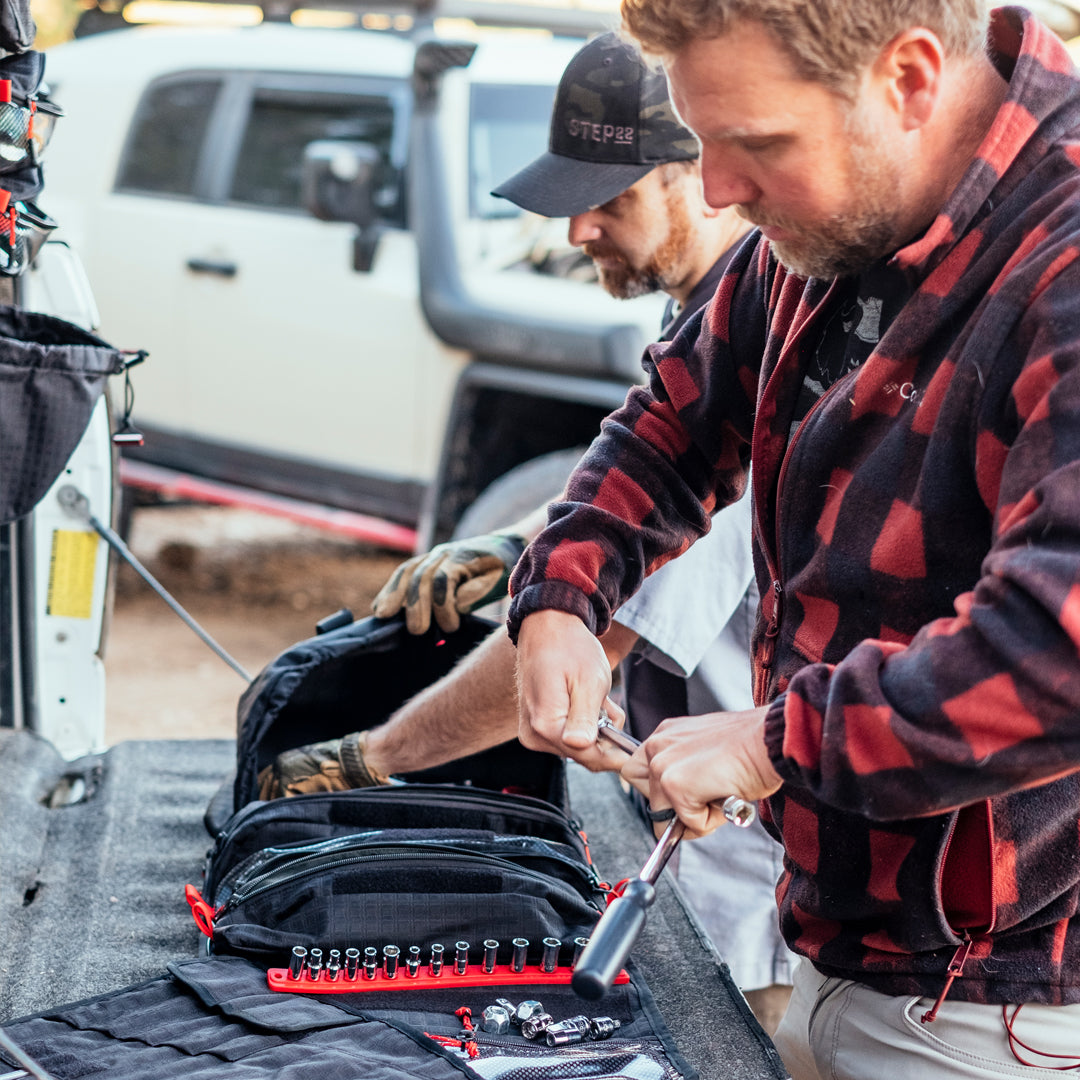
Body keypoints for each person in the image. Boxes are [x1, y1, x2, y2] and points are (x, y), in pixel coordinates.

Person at [506, 2, 1080, 1077]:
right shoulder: (833, 217)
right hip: (835, 947)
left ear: (908, 79)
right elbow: (675, 419)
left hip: (1009, 1013)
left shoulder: (1063, 262)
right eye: (703, 142)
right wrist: (559, 596)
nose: (717, 190)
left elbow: (1056, 651)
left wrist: (776, 740)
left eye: (755, 145)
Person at [258, 32, 794, 1033]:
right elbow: (629, 512)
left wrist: (378, 757)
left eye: (613, 197)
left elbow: (586, 644)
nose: (578, 226)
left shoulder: (764, 362)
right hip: (695, 856)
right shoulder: (703, 323)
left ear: (702, 176)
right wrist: (513, 551)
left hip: (755, 910)